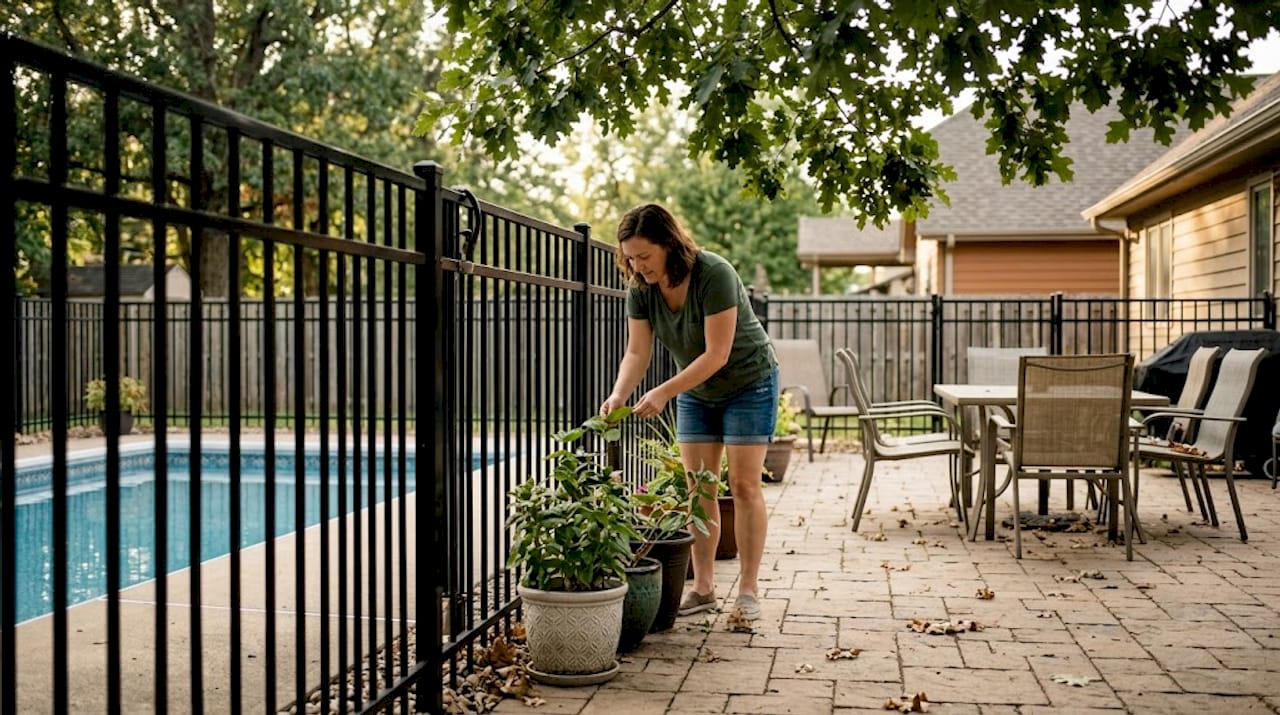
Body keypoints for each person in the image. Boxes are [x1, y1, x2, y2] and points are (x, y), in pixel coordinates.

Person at [599, 203, 778, 621]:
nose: (638, 266)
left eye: (645, 256)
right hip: (697, 391)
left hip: (749, 383)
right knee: (700, 489)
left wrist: (662, 392)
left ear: (669, 245)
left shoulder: (713, 274)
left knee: (745, 485)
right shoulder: (640, 290)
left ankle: (748, 592)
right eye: (630, 257)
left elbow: (716, 354)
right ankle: (703, 588)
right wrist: (618, 394)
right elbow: (637, 351)